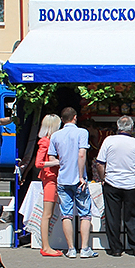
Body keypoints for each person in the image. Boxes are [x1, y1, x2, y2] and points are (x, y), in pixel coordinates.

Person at [94, 116, 135, 257]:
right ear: (131, 128)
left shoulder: (109, 141)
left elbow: (100, 163)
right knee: (133, 216)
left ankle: (116, 248)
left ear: (118, 127)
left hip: (112, 182)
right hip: (131, 183)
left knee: (113, 216)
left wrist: (103, 178)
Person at [48, 107, 97, 259]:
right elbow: (81, 154)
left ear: (62, 120)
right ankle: (85, 248)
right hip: (78, 179)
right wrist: (81, 175)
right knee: (85, 215)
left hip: (63, 179)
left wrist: (63, 162)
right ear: (75, 117)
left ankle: (70, 249)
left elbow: (51, 159)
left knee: (66, 215)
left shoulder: (55, 136)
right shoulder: (82, 133)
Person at [36, 114, 62, 257]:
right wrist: (56, 162)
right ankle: (45, 247)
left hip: (53, 178)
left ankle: (46, 246)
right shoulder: (45, 142)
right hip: (50, 179)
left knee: (49, 214)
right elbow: (38, 163)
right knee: (47, 214)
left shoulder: (50, 141)